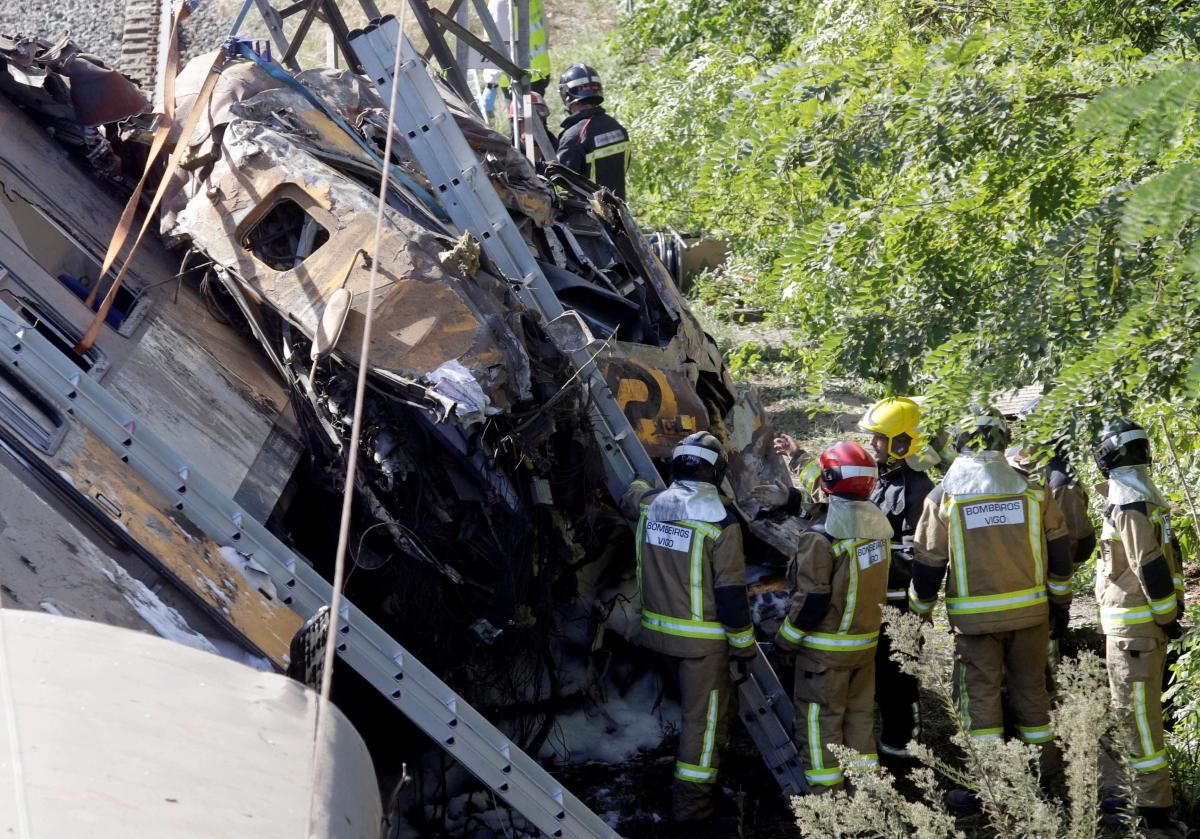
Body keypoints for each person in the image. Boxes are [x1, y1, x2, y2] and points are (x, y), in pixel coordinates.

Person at [909, 408, 1072, 811]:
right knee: (1032, 693)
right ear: (1002, 441)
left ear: (962, 441)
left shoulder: (944, 497)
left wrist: (920, 607)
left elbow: (928, 560)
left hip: (975, 623)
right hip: (1032, 614)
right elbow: (1060, 548)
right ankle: (1044, 781)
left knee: (978, 700)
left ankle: (992, 791)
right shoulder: (1034, 490)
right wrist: (1061, 603)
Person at [623, 432, 755, 828]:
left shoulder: (649, 507)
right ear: (715, 472)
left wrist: (640, 483)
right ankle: (693, 814)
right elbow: (731, 596)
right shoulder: (721, 523)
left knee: (688, 717)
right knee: (704, 725)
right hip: (703, 646)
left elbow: (631, 495)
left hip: (657, 636)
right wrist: (745, 647)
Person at [775, 441, 894, 790]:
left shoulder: (821, 537)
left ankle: (831, 809)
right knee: (859, 720)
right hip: (863, 647)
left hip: (825, 654)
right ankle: (870, 798)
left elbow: (812, 599)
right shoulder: (878, 528)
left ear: (828, 479)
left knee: (819, 726)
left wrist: (785, 641)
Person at [1092, 419, 1185, 837]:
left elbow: (1149, 566)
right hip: (1142, 632)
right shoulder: (1144, 498)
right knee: (1139, 719)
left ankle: (1150, 810)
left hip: (1135, 635)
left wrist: (1166, 616)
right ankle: (1150, 802)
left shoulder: (1128, 503)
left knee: (1137, 722)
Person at [857, 397, 935, 760]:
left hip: (900, 604)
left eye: (880, 439)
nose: (873, 445)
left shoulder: (919, 489)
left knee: (898, 685)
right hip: (873, 600)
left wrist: (868, 560)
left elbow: (918, 554)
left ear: (903, 442)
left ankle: (905, 756)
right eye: (873, 437)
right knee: (874, 679)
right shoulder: (879, 478)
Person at [556, 63, 630, 199]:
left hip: (587, 216)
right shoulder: (617, 127)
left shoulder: (574, 136)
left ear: (567, 95)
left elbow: (562, 186)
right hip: (619, 213)